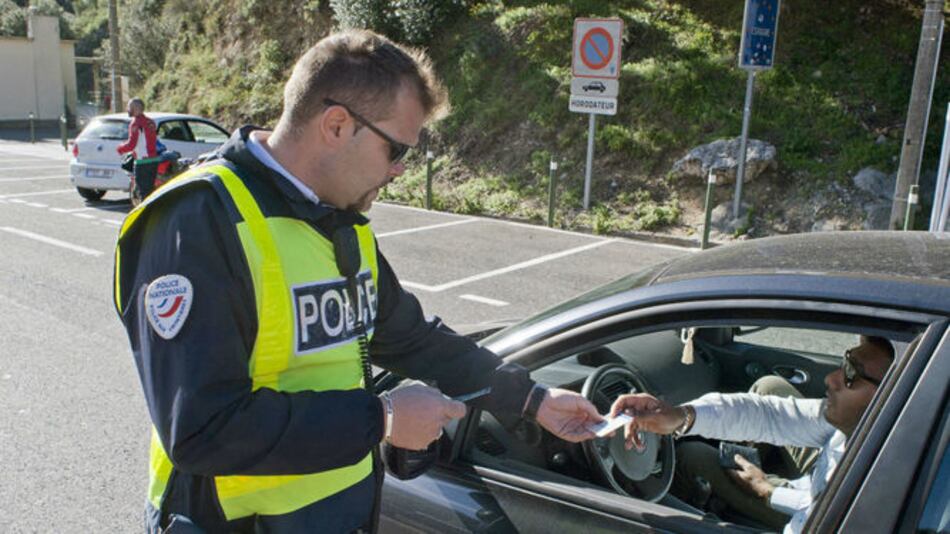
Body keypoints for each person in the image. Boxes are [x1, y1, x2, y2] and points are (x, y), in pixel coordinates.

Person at [113, 30, 602, 533]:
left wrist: (533, 400)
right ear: (337, 124)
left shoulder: (340, 221)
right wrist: (383, 418)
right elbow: (201, 428)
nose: (397, 172)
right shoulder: (195, 221)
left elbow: (415, 339)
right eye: (395, 150)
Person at [609, 336, 894, 534]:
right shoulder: (864, 424)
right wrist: (681, 416)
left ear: (893, 391)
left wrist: (769, 490)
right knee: (769, 388)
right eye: (844, 363)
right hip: (806, 494)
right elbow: (766, 414)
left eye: (851, 374)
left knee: (690, 460)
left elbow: (823, 510)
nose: (830, 379)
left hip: (803, 517)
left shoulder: (891, 471)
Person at [116, 97, 161, 200]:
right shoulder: (151, 122)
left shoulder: (135, 123)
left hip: (142, 162)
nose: (128, 109)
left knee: (142, 192)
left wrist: (120, 148)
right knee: (150, 190)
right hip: (153, 160)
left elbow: (132, 144)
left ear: (136, 108)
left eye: (129, 107)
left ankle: (145, 214)